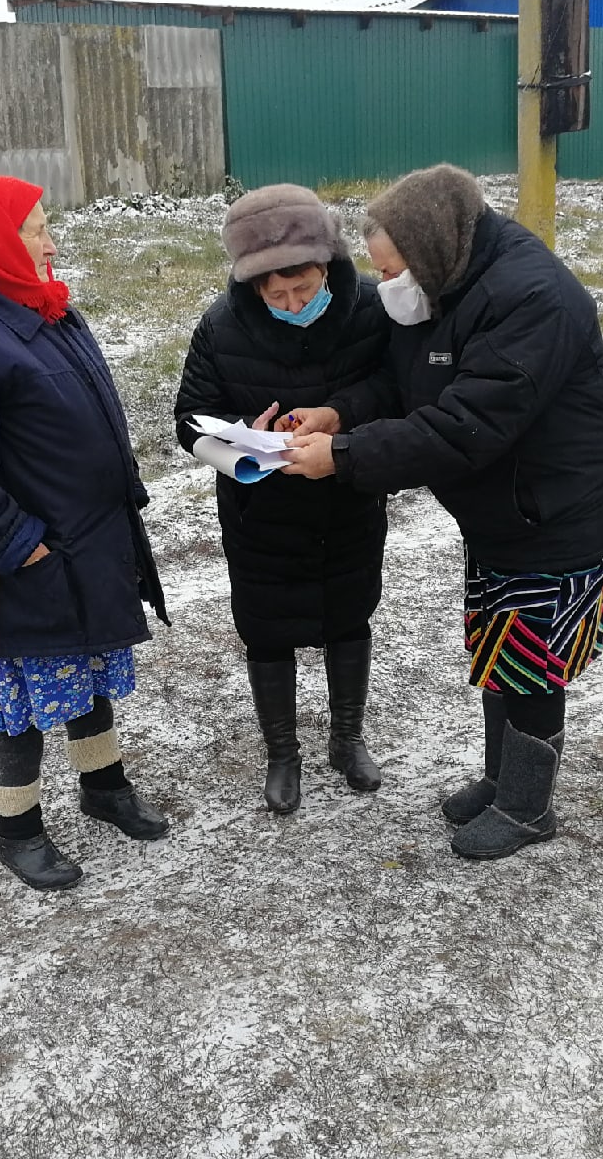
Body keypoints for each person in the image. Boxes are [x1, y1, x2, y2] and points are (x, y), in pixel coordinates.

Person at [279, 164, 603, 861]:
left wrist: (343, 454)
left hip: (554, 512)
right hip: (503, 512)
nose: (387, 287)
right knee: (499, 647)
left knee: (532, 659)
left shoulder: (533, 298)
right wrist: (340, 412)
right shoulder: (447, 284)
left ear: (434, 247)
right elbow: (404, 379)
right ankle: (503, 778)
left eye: (393, 270)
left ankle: (529, 809)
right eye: (378, 272)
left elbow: (464, 423)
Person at [0, 175, 171, 892]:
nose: (50, 242)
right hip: (26, 557)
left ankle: (104, 788)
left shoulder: (39, 307)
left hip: (90, 539)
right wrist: (19, 542)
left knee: (86, 668)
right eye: (36, 229)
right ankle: (17, 828)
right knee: (23, 696)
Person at [173, 185, 391, 813]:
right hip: (260, 513)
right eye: (276, 297)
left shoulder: (371, 311)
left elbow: (396, 388)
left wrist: (342, 417)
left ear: (327, 266)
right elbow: (189, 421)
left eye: (303, 289)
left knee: (350, 617)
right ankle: (282, 755)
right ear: (252, 287)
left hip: (348, 500)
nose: (292, 304)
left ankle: (347, 739)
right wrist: (246, 444)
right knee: (267, 631)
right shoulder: (221, 325)